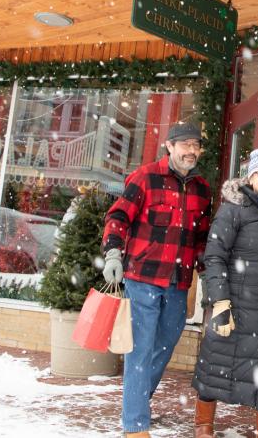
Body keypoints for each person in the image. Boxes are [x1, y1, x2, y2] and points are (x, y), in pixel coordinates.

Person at [101, 123, 212, 438]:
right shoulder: (146, 177)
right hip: (143, 277)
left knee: (164, 346)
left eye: (196, 145)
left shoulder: (203, 189)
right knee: (140, 348)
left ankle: (136, 402)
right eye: (185, 144)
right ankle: (135, 424)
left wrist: (209, 272)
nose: (191, 150)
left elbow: (201, 238)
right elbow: (118, 216)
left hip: (178, 283)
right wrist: (112, 253)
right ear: (170, 146)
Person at [191, 148, 258, 438]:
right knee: (215, 368)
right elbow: (214, 256)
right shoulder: (233, 209)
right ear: (251, 176)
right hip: (235, 304)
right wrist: (221, 302)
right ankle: (204, 426)